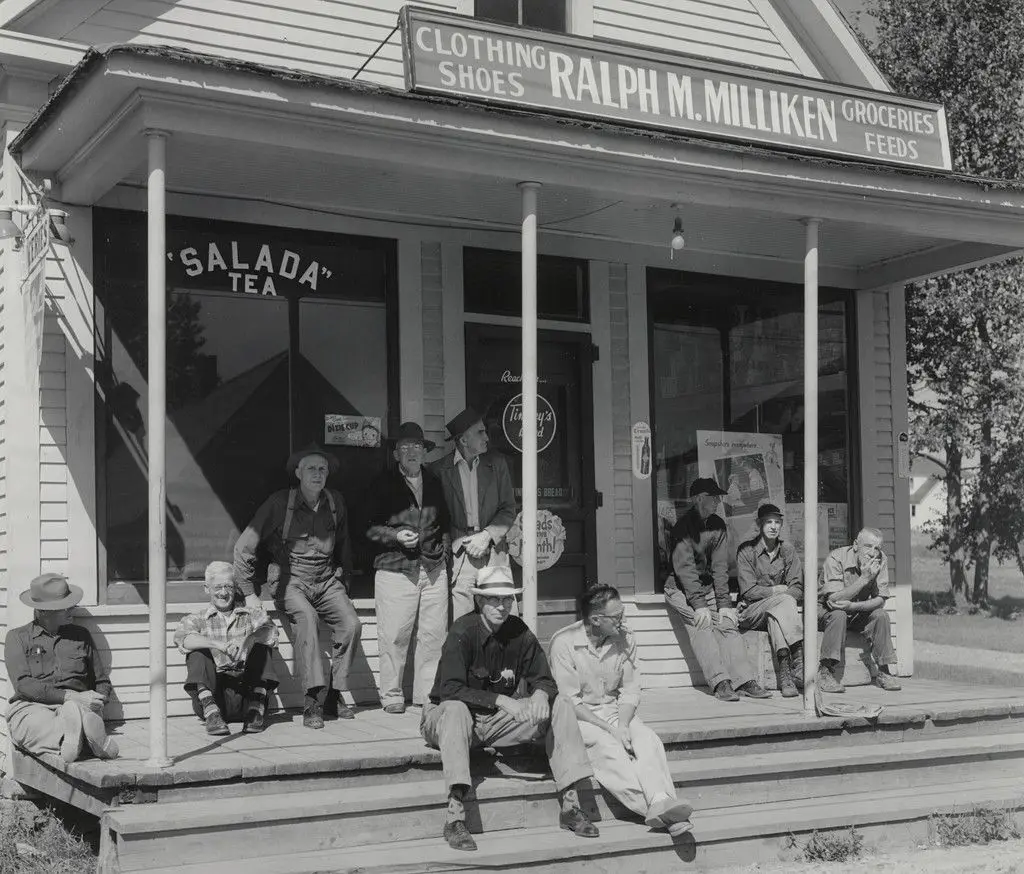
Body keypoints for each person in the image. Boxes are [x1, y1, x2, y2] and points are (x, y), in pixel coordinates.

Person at [420, 566, 598, 852]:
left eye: (507, 599)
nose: (501, 606)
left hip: (494, 723)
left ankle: (571, 805)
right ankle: (455, 815)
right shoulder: (462, 631)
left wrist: (540, 693)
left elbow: (545, 678)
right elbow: (448, 689)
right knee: (455, 709)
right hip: (447, 721)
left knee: (561, 703)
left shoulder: (519, 631)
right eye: (494, 599)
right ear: (480, 601)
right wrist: (502, 701)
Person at [234, 444, 362, 728]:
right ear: (298, 473)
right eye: (311, 469)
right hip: (291, 578)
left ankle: (334, 692)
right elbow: (244, 546)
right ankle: (313, 701)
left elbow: (344, 543)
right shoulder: (280, 502)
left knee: (351, 624)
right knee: (307, 619)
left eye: (322, 469)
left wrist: (345, 580)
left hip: (327, 578)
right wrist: (249, 593)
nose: (317, 474)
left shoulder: (334, 501)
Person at [549, 585, 693, 837]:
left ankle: (661, 800)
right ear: (595, 619)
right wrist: (611, 730)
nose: (623, 620)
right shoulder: (564, 643)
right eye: (617, 617)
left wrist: (623, 725)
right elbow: (570, 702)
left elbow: (630, 690)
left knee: (648, 741)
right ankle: (660, 811)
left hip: (616, 711)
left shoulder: (625, 637)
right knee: (610, 750)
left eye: (623, 613)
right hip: (579, 718)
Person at [365, 422, 450, 715]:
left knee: (433, 636)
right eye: (405, 447)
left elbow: (446, 525)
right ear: (396, 453)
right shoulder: (380, 483)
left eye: (417, 447)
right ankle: (391, 695)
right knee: (394, 635)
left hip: (433, 567)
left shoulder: (436, 482)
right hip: (395, 568)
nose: (412, 452)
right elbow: (367, 528)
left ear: (424, 452)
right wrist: (395, 536)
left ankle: (426, 696)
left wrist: (444, 556)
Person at [664, 477, 771, 702]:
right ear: (699, 499)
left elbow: (720, 567)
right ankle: (721, 682)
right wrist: (700, 605)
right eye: (714, 498)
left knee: (727, 625)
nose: (718, 501)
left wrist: (724, 604)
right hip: (681, 589)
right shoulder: (683, 528)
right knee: (701, 625)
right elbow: (686, 571)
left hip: (706, 588)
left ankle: (744, 680)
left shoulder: (718, 525)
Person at [5, 574, 119, 763]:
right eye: (64, 606)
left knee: (77, 713)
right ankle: (88, 739)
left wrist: (99, 700)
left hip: (79, 706)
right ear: (43, 611)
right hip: (33, 705)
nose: (71, 609)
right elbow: (24, 685)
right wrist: (70, 697)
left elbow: (101, 680)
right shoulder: (17, 637)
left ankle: (73, 739)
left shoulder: (81, 635)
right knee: (31, 725)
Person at [174, 561, 280, 735]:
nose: (223, 593)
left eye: (228, 587)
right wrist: (217, 645)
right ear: (207, 588)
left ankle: (255, 711)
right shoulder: (196, 618)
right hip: (215, 697)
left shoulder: (250, 614)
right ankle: (212, 715)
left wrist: (249, 640)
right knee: (198, 651)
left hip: (248, 695)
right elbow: (183, 639)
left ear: (235, 587)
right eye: (217, 587)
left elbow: (272, 632)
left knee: (262, 644)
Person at [432, 407, 516, 620]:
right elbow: (436, 519)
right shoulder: (439, 471)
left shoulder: (496, 465)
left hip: (494, 552)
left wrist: (487, 536)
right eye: (480, 432)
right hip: (460, 558)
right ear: (463, 440)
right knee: (463, 625)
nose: (487, 437)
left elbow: (508, 508)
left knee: (502, 620)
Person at [813, 528, 902, 693]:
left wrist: (853, 607)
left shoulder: (880, 559)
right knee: (839, 614)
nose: (872, 553)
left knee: (880, 615)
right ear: (855, 545)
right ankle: (825, 672)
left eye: (877, 548)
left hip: (854, 610)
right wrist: (864, 579)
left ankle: (884, 671)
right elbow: (834, 600)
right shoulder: (836, 558)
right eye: (868, 546)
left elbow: (880, 599)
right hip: (825, 611)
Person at [735, 504, 803, 698]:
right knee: (783, 600)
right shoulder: (747, 551)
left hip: (776, 613)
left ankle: (786, 676)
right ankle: (799, 659)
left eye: (777, 522)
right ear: (759, 524)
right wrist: (776, 590)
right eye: (768, 522)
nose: (773, 526)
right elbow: (749, 591)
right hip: (751, 613)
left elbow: (797, 588)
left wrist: (780, 595)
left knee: (777, 614)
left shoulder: (788, 551)